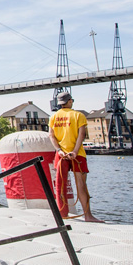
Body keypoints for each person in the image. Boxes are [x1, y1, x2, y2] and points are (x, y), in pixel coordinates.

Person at [49, 91, 103, 222]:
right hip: (77, 154)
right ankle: (88, 216)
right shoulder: (78, 115)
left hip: (61, 154)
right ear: (70, 101)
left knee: (60, 185)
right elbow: (81, 135)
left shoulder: (54, 117)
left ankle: (62, 214)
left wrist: (59, 150)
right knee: (81, 185)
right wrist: (74, 151)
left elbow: (51, 135)